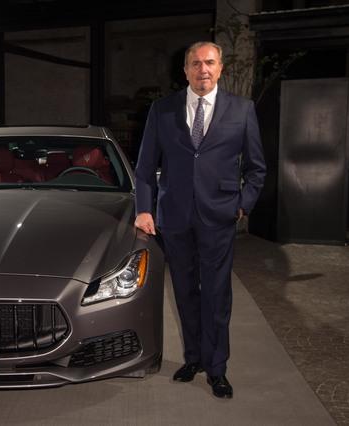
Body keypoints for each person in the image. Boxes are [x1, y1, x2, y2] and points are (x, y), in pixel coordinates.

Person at [134, 41, 266, 399]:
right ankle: (193, 359)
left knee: (217, 295)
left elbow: (257, 168)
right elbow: (145, 167)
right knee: (185, 292)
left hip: (219, 216)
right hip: (174, 218)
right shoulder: (162, 110)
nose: (202, 69)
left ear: (220, 68)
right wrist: (144, 209)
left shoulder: (242, 110)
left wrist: (243, 204)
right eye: (195, 63)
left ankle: (217, 368)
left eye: (209, 62)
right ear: (186, 70)